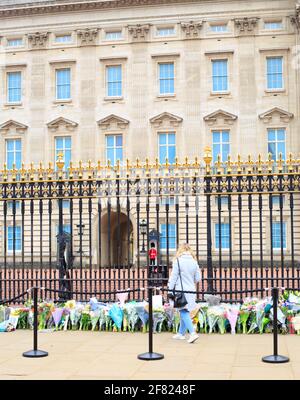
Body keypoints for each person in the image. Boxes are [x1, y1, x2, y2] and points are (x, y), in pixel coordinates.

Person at [168, 243, 201, 343]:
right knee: (184, 310)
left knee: (183, 311)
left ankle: (192, 333)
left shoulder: (178, 261)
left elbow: (173, 277)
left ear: (180, 250)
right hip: (191, 290)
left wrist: (170, 290)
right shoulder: (194, 262)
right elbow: (198, 278)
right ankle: (181, 333)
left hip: (181, 290)